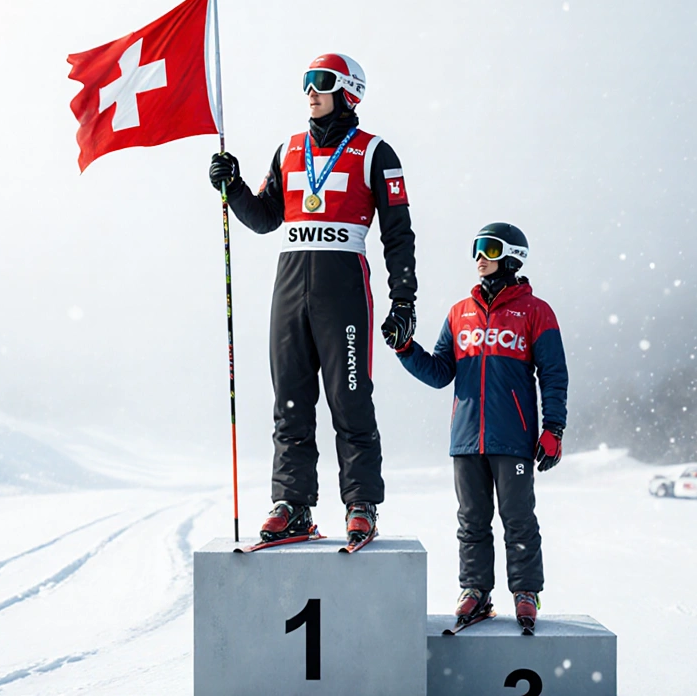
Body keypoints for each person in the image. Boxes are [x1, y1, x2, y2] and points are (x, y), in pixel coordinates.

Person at [208, 53, 418, 550]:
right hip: (290, 284)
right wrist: (232, 186)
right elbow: (264, 218)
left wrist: (403, 301)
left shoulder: (375, 153)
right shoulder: (289, 149)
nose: (310, 90)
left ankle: (360, 504)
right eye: (305, 82)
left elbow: (399, 235)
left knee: (349, 398)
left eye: (320, 81)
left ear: (349, 91)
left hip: (342, 286)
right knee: (291, 402)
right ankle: (293, 504)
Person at [394, 223, 567, 632]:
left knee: (519, 518)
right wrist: (406, 348)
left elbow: (554, 373)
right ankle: (475, 590)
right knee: (471, 520)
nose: (479, 257)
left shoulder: (536, 311)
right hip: (467, 438)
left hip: (513, 438)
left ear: (513, 256)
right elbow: (440, 373)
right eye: (475, 248)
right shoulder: (459, 313)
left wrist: (553, 427)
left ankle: (525, 592)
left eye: (488, 248)